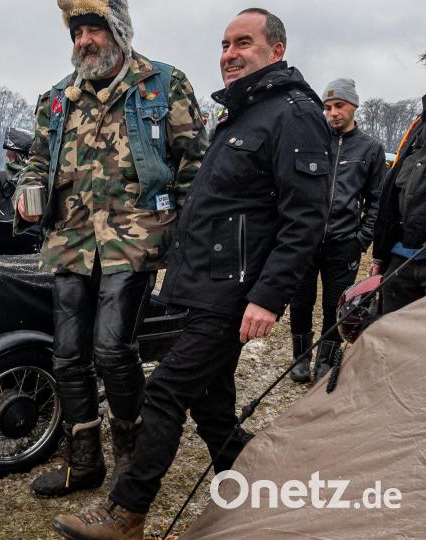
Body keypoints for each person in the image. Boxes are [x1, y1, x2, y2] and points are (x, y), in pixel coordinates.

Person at [50, 9, 331, 539]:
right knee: (213, 406)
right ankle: (261, 493)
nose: (229, 54)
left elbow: (305, 219)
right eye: (225, 45)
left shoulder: (293, 114)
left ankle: (126, 513)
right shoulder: (242, 114)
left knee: (165, 392)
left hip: (235, 292)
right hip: (203, 285)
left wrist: (268, 297)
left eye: (243, 43)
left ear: (276, 50)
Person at [13, 0, 207, 503]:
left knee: (113, 349)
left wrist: (186, 236)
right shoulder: (58, 97)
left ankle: (132, 458)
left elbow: (194, 164)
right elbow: (37, 159)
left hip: (135, 236)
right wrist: (28, 188)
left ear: (117, 32)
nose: (84, 41)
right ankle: (84, 462)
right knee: (67, 354)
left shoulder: (162, 85)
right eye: (77, 32)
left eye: (93, 29)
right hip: (71, 239)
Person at [288, 78, 385, 384]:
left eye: (339, 106)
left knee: (336, 305)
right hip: (306, 240)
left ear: (353, 105)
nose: (333, 113)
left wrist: (362, 238)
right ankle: (300, 358)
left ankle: (326, 360)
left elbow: (377, 199)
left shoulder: (370, 148)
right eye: (327, 107)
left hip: (344, 243)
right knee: (300, 302)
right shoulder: (312, 143)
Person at [372, 53, 426, 314]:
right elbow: (393, 190)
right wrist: (380, 254)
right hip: (402, 257)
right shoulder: (419, 124)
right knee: (389, 333)